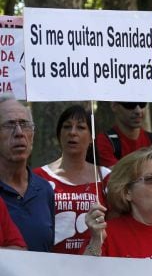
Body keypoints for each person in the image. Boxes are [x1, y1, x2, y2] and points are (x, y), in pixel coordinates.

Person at [33, 106, 110, 254]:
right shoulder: (39, 177)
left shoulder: (105, 177)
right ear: (59, 134)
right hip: (51, 266)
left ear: (91, 137)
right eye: (67, 127)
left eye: (81, 127)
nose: (72, 132)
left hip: (96, 264)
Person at [0, 97, 54, 252]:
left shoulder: (44, 189)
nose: (19, 133)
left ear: (33, 135)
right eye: (9, 125)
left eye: (25, 125)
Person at [91, 102, 152, 167]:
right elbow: (118, 174)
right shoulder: (104, 141)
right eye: (130, 105)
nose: (138, 111)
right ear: (114, 106)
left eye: (142, 104)